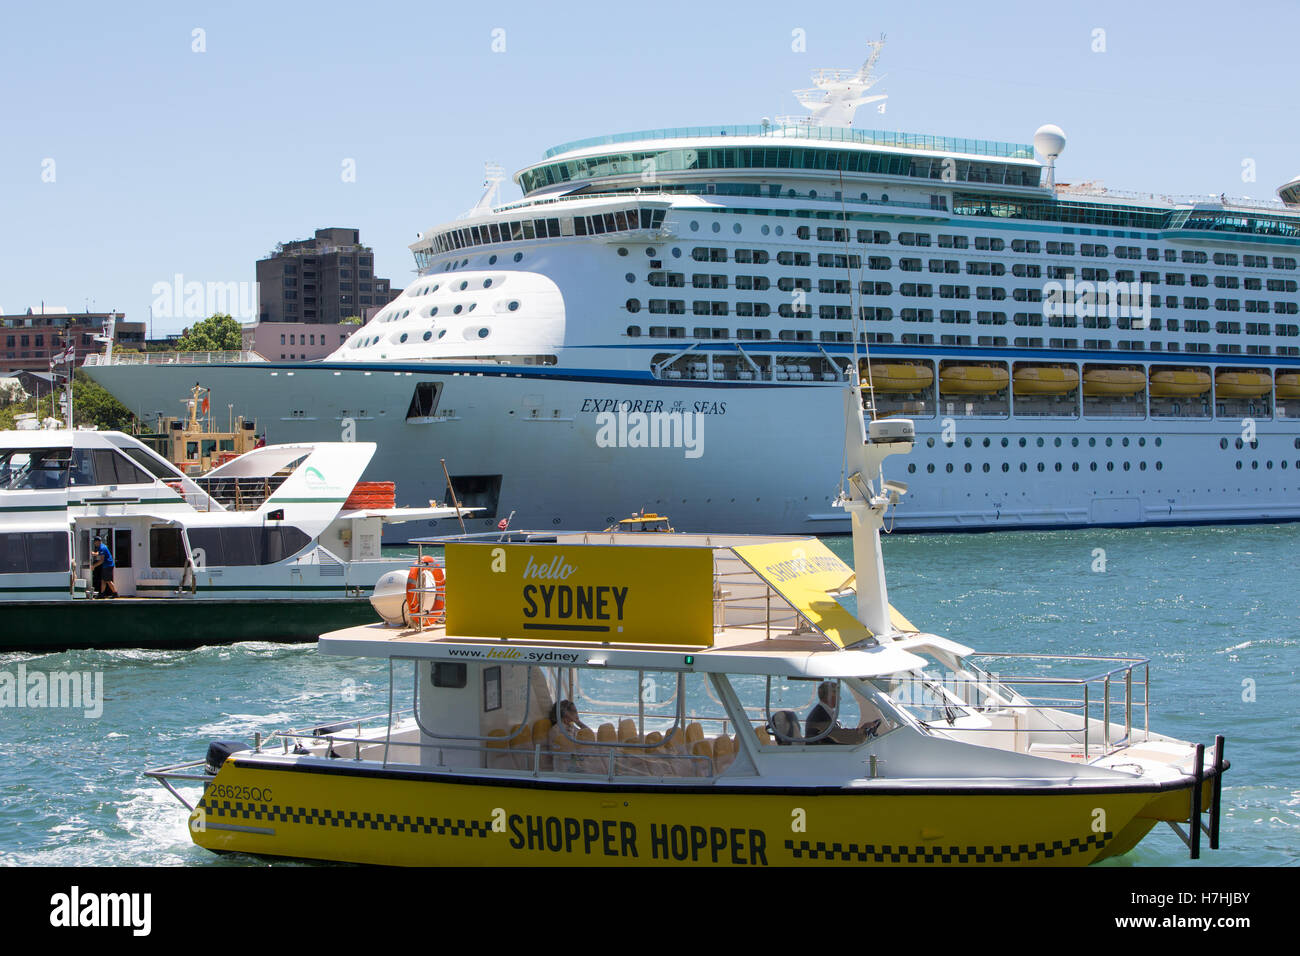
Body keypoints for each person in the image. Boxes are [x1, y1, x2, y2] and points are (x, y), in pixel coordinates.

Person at [805, 681, 880, 744]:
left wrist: (860, 730)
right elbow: (838, 735)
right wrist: (862, 732)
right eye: (837, 694)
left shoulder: (823, 712)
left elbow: (837, 733)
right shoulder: (820, 715)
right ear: (829, 696)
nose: (840, 698)